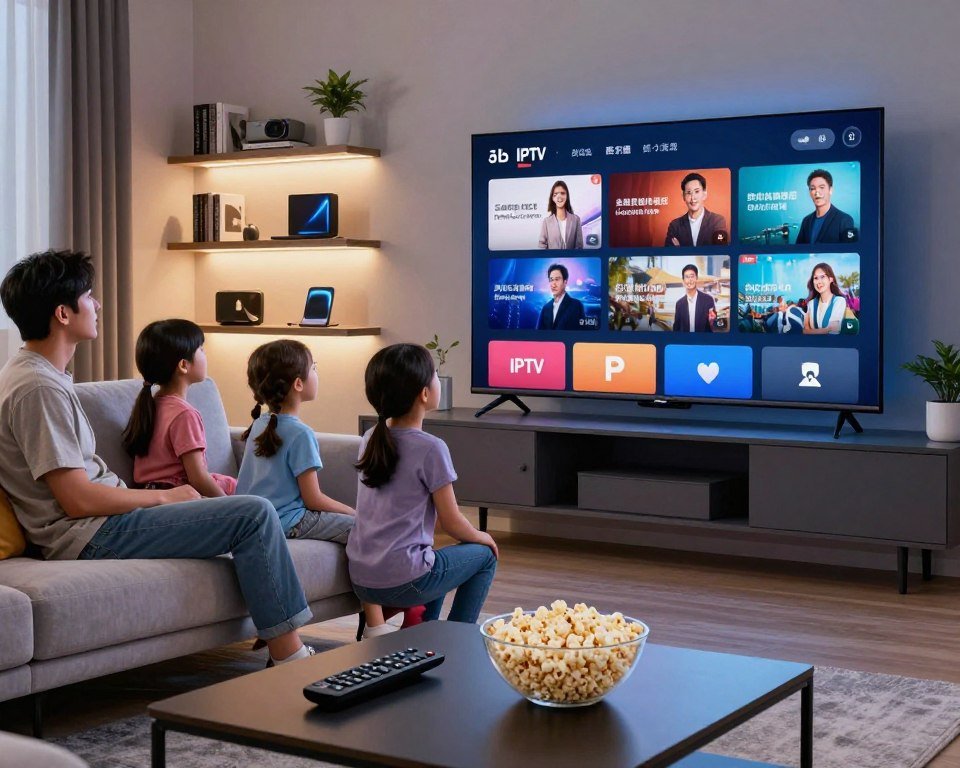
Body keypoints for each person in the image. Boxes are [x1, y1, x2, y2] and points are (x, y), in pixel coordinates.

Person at [0, 250, 313, 666]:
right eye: (89, 296)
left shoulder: (41, 376)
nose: (96, 305)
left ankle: (281, 643)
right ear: (62, 313)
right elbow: (76, 499)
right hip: (90, 534)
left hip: (102, 523)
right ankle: (290, 656)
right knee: (252, 514)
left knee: (246, 511)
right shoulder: (37, 388)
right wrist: (166, 497)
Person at [235, 339, 389, 637]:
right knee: (363, 531)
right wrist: (356, 514)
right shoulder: (301, 433)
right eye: (314, 368)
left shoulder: (259, 425)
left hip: (261, 523)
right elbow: (313, 499)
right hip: (291, 521)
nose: (318, 373)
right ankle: (375, 623)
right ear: (298, 384)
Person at [347, 343, 498, 632]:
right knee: (484, 557)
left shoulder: (370, 438)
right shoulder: (431, 448)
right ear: (424, 394)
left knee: (434, 559)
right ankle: (457, 638)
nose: (439, 380)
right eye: (436, 375)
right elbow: (452, 523)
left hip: (362, 582)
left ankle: (421, 635)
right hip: (404, 582)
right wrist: (484, 537)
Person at [122, 319, 236, 496]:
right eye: (201, 350)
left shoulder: (151, 406)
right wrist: (231, 508)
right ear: (183, 365)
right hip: (178, 499)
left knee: (230, 484)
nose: (205, 355)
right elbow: (197, 478)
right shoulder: (184, 414)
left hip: (150, 496)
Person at [664, 173, 728, 247]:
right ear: (683, 197)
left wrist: (680, 249)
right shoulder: (675, 226)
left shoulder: (718, 221)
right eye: (688, 193)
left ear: (704, 194)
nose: (693, 198)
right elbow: (671, 255)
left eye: (697, 191)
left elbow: (720, 251)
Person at [795, 169, 855, 244]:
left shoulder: (844, 220)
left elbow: (849, 252)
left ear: (830, 190)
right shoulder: (806, 221)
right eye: (813, 188)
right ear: (810, 192)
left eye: (821, 187)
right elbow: (799, 251)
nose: (817, 192)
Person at [536, 263, 586, 330]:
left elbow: (582, 333)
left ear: (565, 282)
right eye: (551, 280)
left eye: (557, 279)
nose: (553, 284)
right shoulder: (545, 308)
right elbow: (538, 334)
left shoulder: (576, 305)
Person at [802, 262, 847, 335]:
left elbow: (833, 331)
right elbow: (805, 330)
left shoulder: (839, 301)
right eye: (816, 278)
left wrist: (808, 331)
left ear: (831, 279)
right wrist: (826, 330)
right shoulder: (811, 304)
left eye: (822, 277)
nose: (819, 282)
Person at [538, 180, 584, 249]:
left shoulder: (576, 220)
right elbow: (542, 245)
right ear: (553, 198)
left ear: (567, 196)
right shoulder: (546, 222)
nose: (559, 196)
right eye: (555, 194)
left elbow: (579, 246)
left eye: (562, 193)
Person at [673, 264, 716, 332]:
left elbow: (715, 326)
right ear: (683, 280)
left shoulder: (708, 300)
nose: (690, 280)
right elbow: (676, 328)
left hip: (703, 341)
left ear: (696, 278)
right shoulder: (679, 304)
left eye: (692, 276)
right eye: (687, 277)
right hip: (685, 341)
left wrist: (712, 322)